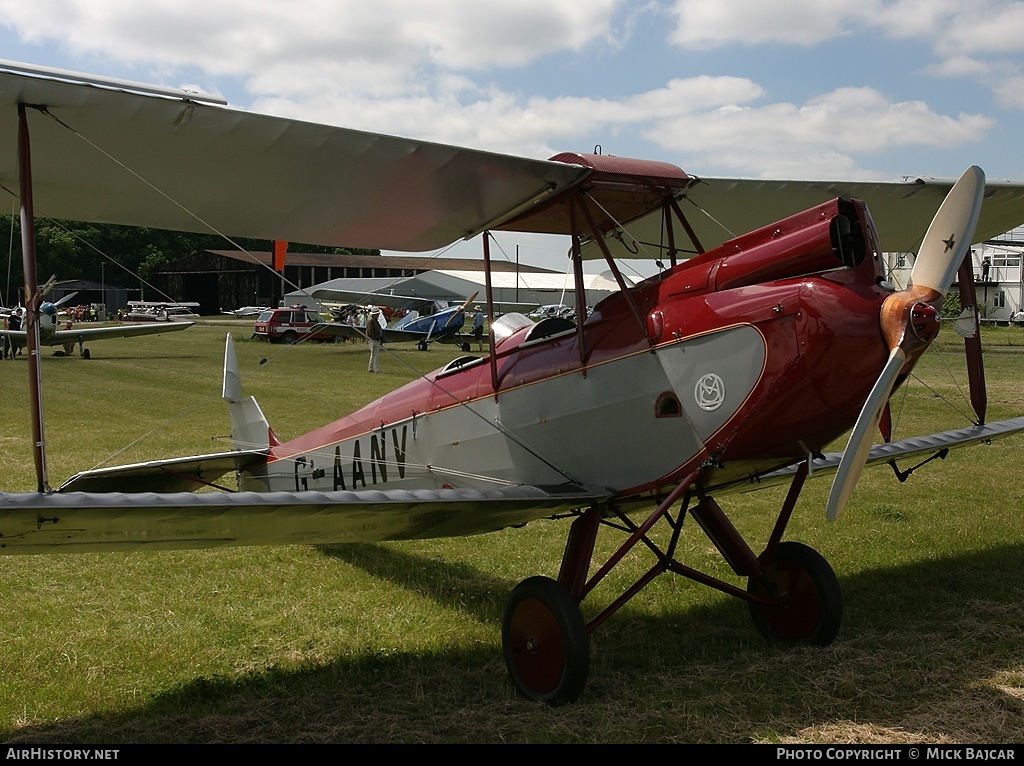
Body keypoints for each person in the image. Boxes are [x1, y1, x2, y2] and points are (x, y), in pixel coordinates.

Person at [366, 307, 383, 373]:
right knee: (375, 354)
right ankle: (376, 369)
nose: (378, 315)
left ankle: (371, 368)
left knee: (374, 354)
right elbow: (370, 331)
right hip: (373, 340)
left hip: (375, 339)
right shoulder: (371, 321)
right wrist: (374, 339)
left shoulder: (375, 321)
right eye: (377, 314)